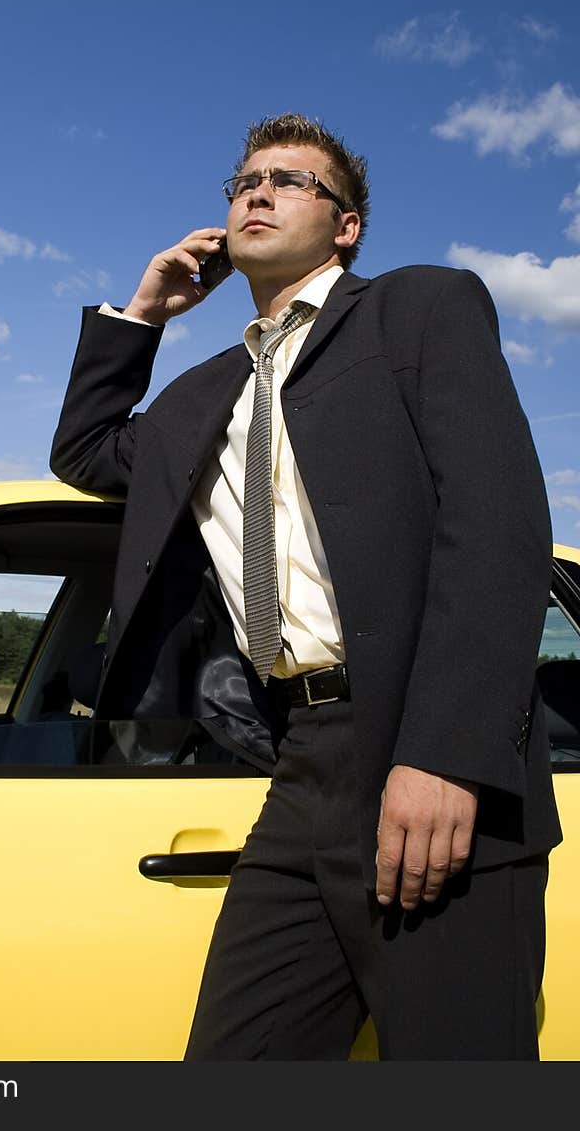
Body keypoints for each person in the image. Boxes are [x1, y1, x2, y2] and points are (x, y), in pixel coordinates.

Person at [49, 113, 562, 1060]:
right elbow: (83, 451)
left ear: (347, 224)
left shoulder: (419, 310)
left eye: (291, 179)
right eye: (244, 179)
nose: (257, 190)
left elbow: (498, 529)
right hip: (300, 763)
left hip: (429, 748)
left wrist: (448, 754)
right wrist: (144, 312)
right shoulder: (204, 395)